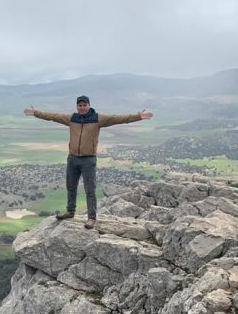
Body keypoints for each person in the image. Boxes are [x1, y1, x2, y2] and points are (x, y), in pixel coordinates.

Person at [24, 96, 153, 229]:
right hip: (73, 158)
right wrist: (36, 113)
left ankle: (92, 218)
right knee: (71, 186)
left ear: (89, 105)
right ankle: (70, 211)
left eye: (84, 105)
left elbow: (118, 119)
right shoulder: (72, 118)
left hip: (88, 159)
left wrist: (138, 116)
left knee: (90, 189)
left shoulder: (98, 118)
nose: (82, 107)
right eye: (79, 105)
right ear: (77, 107)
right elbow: (53, 116)